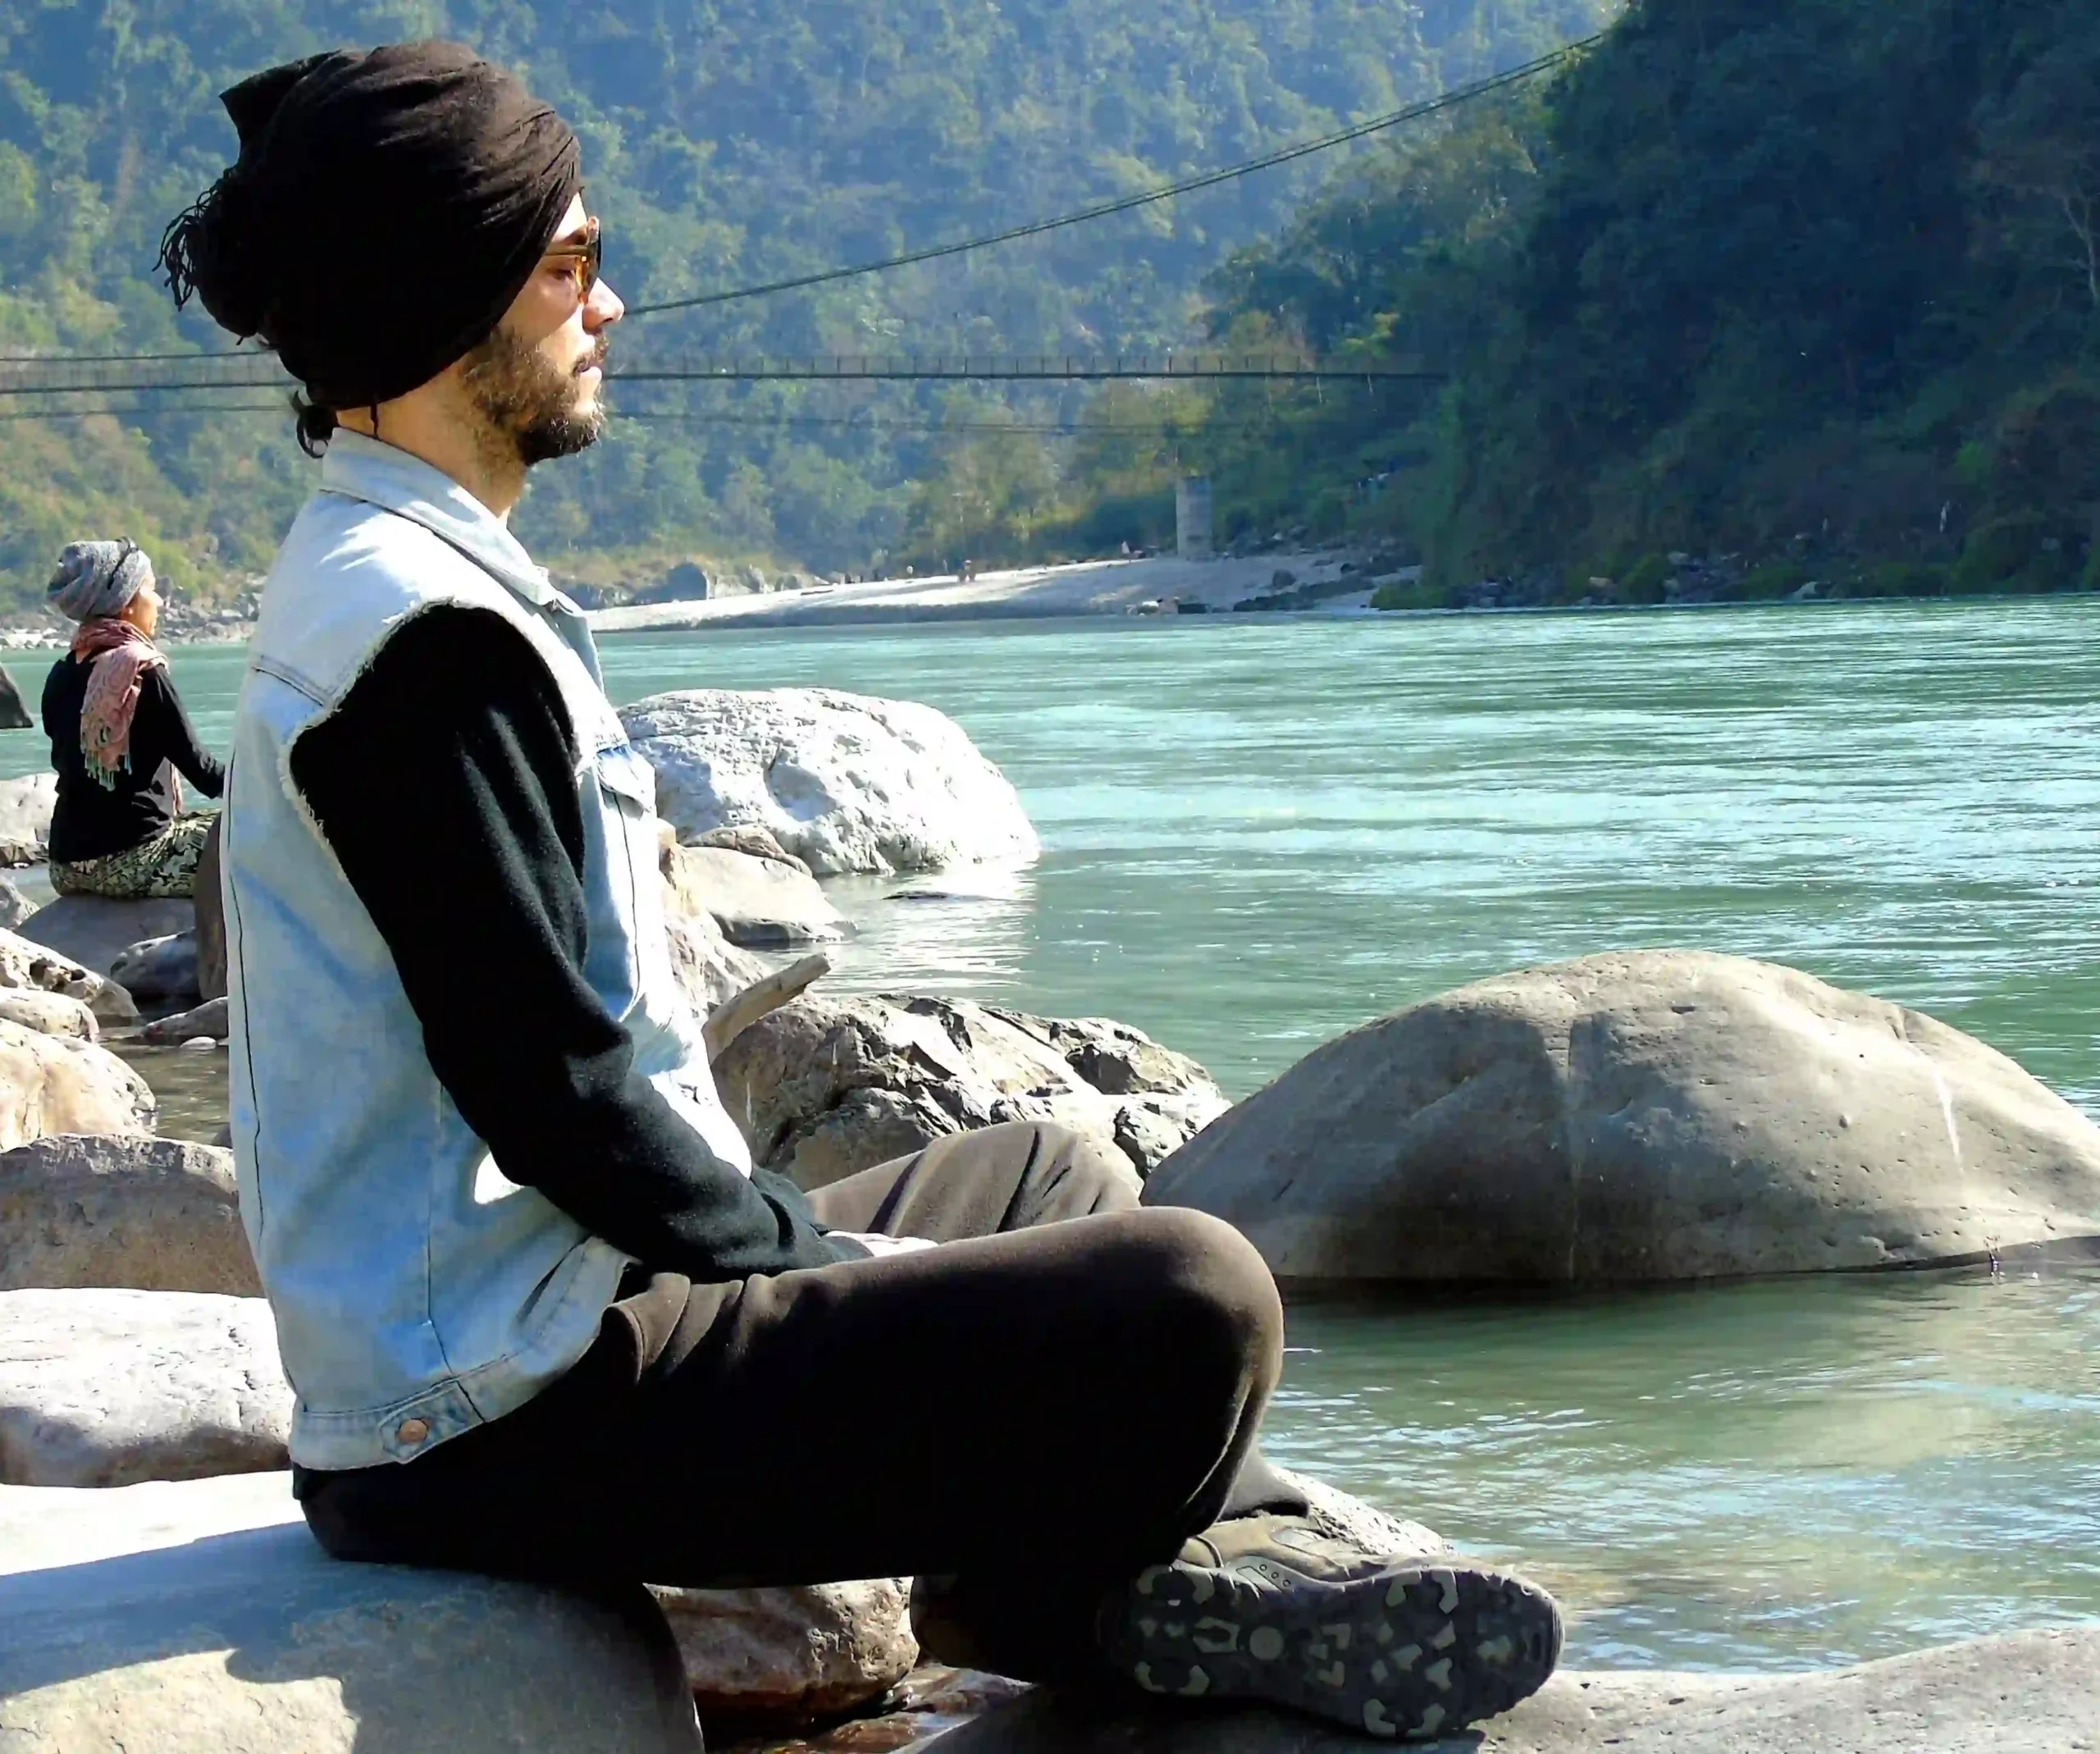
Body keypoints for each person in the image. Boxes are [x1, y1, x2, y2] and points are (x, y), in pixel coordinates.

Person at [159, 43, 1561, 1740]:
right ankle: (1147, 1582)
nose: (607, 306)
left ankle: (1108, 1581)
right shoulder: (419, 647)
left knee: (1058, 1163)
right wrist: (805, 1255)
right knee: (1191, 1294)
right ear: (457, 295)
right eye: (573, 263)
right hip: (482, 1428)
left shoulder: (398, 582)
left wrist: (815, 1266)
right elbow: (560, 1098)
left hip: (532, 1329)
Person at [40, 541, 224, 898]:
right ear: (126, 605)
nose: (160, 602)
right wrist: (272, 783)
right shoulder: (143, 673)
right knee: (260, 841)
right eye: (151, 590)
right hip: (133, 859)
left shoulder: (60, 672)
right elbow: (204, 774)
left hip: (64, 866)